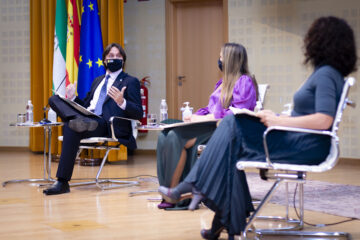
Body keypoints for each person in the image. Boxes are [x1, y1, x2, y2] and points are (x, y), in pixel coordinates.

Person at [158, 16, 357, 239]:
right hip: (298, 139)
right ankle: (219, 215)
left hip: (306, 145)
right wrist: (276, 115)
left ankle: (194, 187)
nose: (307, 42)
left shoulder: (327, 73)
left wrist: (279, 121)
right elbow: (312, 116)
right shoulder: (328, 72)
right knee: (232, 140)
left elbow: (323, 120)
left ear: (322, 41)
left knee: (233, 123)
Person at [156, 43, 258, 209]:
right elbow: (209, 108)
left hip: (224, 131)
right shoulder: (221, 83)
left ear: (231, 60)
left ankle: (175, 195)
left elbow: (240, 113)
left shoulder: (244, 82)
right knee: (165, 135)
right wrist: (196, 115)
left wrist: (212, 116)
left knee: (176, 137)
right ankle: (172, 193)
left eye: (221, 57)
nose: (219, 60)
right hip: (209, 126)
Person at [43, 43, 142, 195]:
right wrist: (73, 97)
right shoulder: (98, 80)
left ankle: (62, 181)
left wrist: (122, 102)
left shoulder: (130, 81)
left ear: (123, 61)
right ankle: (75, 119)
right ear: (104, 61)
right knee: (54, 99)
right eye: (110, 56)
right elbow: (86, 105)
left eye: (118, 56)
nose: (114, 59)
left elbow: (138, 113)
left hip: (106, 124)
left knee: (71, 124)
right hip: (86, 118)